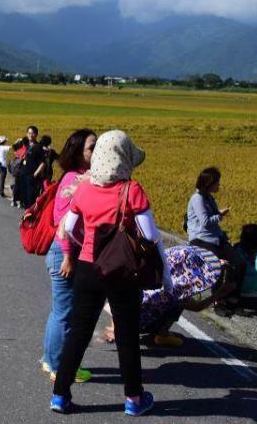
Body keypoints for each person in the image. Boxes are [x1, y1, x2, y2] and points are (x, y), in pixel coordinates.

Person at [52, 130, 170, 417]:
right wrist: (164, 272)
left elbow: (67, 226)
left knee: (78, 333)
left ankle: (59, 396)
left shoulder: (83, 188)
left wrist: (89, 241)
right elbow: (151, 236)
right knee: (127, 335)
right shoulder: (132, 190)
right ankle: (134, 399)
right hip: (121, 271)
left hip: (87, 268)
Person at [41, 129, 96, 385]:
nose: (96, 153)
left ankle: (50, 359)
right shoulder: (73, 180)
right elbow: (61, 221)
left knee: (61, 311)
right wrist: (67, 256)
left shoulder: (83, 177)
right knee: (65, 313)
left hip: (68, 253)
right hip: (65, 253)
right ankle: (58, 367)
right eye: (91, 148)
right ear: (78, 153)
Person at [186, 167, 247, 314]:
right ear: (209, 183)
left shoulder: (209, 197)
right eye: (217, 183)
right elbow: (205, 222)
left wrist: (222, 230)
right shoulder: (197, 198)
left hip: (215, 237)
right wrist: (221, 215)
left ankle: (232, 298)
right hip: (201, 238)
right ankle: (217, 301)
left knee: (239, 263)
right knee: (219, 265)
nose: (219, 185)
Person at [140, 245, 224, 346]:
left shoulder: (157, 267)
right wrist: (221, 292)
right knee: (180, 301)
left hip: (123, 316)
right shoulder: (175, 288)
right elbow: (198, 307)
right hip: (140, 322)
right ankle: (162, 334)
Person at [19, 125, 44, 208]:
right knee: (24, 196)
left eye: (32, 133)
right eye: (29, 133)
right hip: (23, 174)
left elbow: (43, 163)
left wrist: (35, 174)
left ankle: (30, 217)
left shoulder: (38, 147)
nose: (30, 135)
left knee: (30, 198)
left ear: (36, 134)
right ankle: (26, 215)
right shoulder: (26, 145)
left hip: (31, 176)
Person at [9, 137, 29, 208]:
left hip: (16, 171)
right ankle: (20, 202)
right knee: (22, 187)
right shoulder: (27, 150)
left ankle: (13, 201)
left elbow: (13, 146)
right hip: (22, 171)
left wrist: (18, 140)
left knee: (16, 186)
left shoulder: (18, 150)